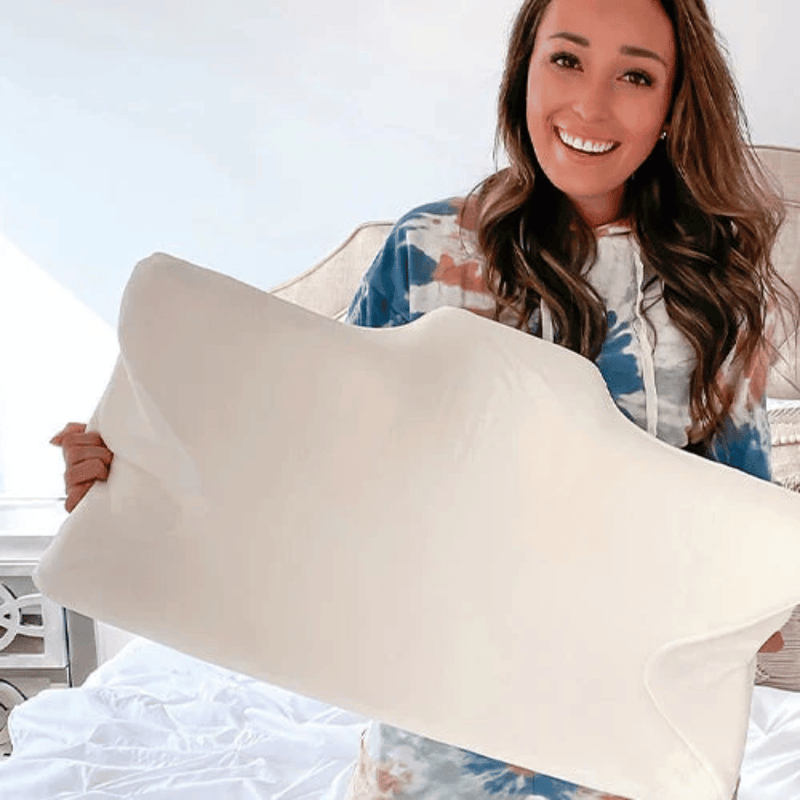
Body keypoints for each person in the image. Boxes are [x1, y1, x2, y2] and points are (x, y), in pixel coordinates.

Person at [52, 0, 793, 796]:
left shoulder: (713, 290)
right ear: (524, 71)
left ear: (674, 105)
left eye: (636, 76)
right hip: (437, 756)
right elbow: (313, 466)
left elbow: (749, 541)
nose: (590, 104)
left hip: (627, 751)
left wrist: (746, 606)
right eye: (566, 60)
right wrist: (135, 472)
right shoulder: (427, 251)